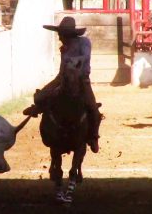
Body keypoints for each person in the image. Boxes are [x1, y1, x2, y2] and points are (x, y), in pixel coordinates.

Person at [22, 16, 101, 153]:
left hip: (82, 80)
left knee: (93, 108)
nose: (59, 38)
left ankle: (93, 137)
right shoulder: (65, 47)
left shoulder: (84, 43)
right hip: (62, 78)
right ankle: (38, 107)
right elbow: (63, 70)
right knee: (39, 97)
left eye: (60, 35)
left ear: (67, 35)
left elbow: (85, 58)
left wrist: (71, 62)